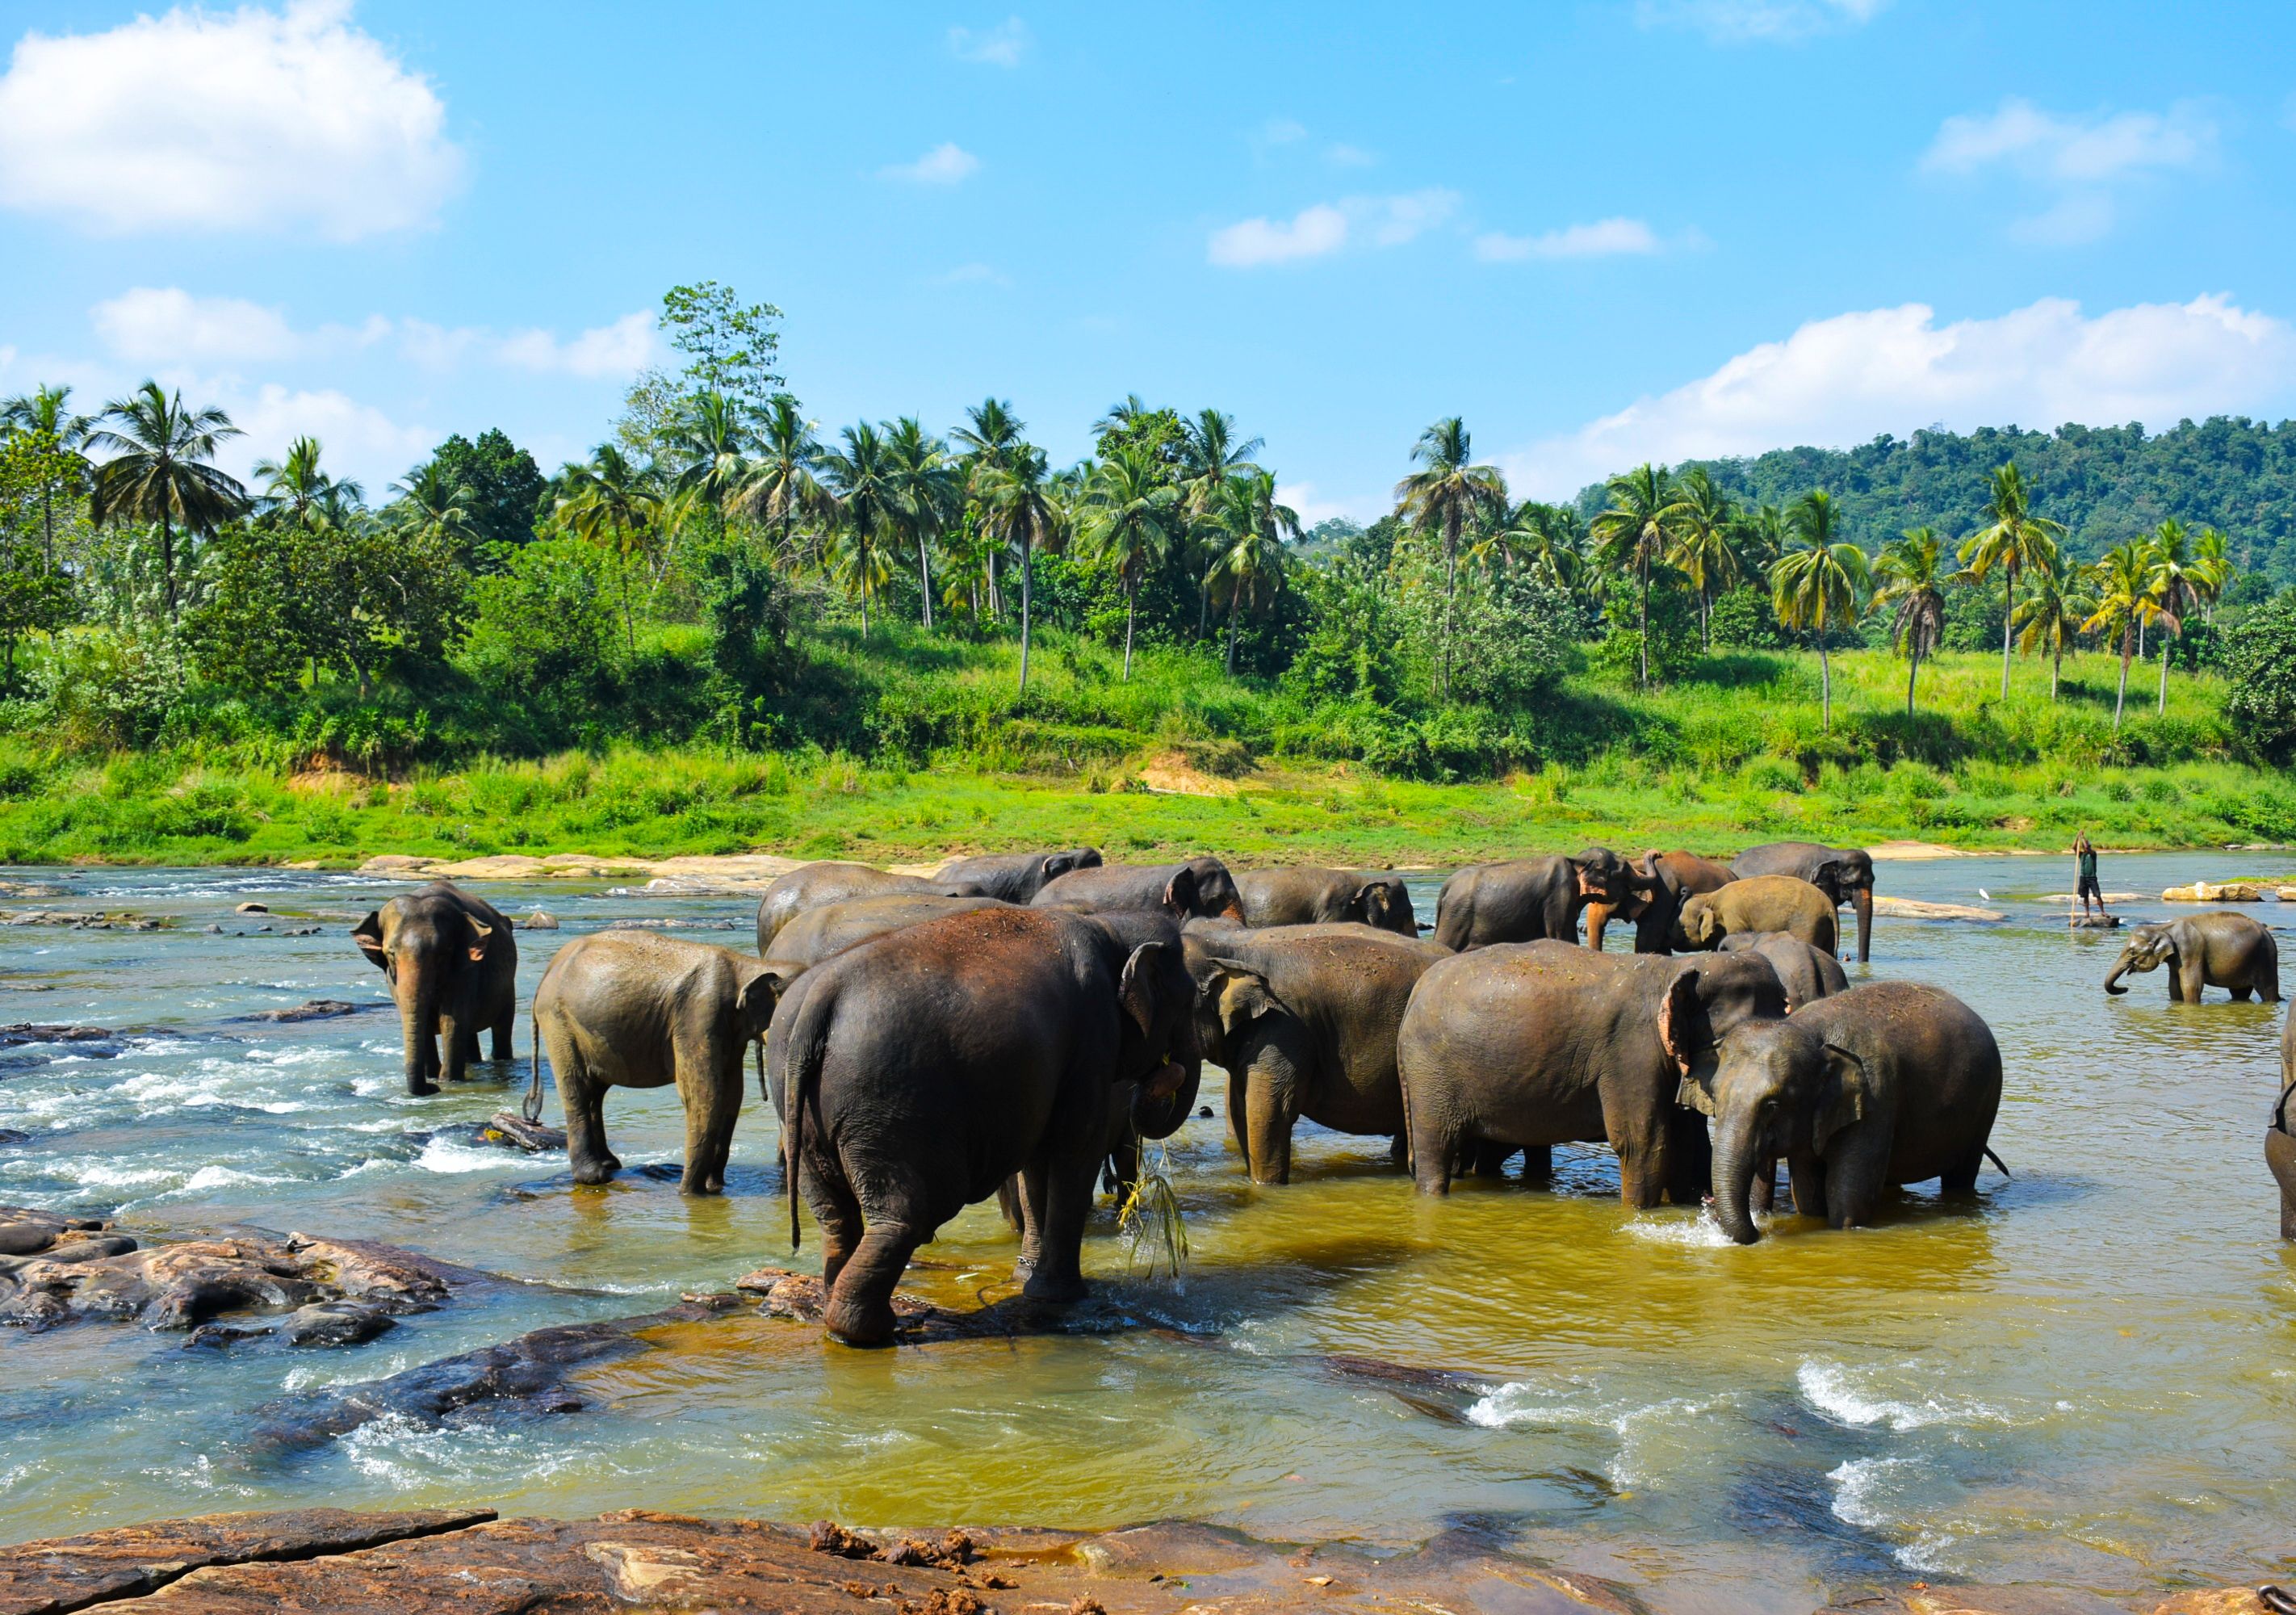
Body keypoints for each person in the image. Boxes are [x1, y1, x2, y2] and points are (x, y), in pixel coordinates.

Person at [2073, 831, 2107, 921]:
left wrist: (2083, 837)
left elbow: (2088, 848)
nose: (2087, 847)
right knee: (2085, 896)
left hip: (2092, 878)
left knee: (2097, 895)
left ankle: (2103, 911)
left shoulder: (2093, 854)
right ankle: (2087, 913)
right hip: (2083, 877)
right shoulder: (2081, 855)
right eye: (2085, 846)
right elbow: (2073, 847)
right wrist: (2077, 837)